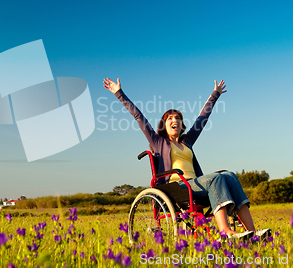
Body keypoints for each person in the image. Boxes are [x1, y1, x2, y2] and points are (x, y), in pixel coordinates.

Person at [103, 77, 271, 239]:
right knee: (216, 178)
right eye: (170, 118)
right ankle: (225, 232)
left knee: (230, 176)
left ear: (182, 125)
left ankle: (252, 232)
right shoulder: (158, 142)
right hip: (177, 188)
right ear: (164, 124)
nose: (174, 120)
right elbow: (139, 117)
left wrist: (215, 94)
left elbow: (202, 119)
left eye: (178, 118)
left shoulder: (187, 141)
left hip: (196, 185)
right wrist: (119, 93)